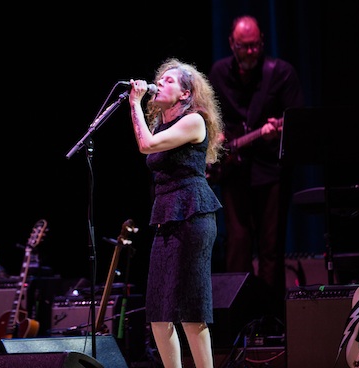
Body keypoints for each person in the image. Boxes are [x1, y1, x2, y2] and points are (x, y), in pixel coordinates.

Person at [127, 58, 224, 367]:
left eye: (169, 81)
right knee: (158, 309)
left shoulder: (194, 120)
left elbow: (146, 145)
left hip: (193, 213)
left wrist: (134, 104)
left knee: (190, 308)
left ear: (185, 93)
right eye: (161, 78)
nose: (160, 83)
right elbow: (150, 142)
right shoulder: (161, 123)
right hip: (166, 213)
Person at [207, 15, 305, 318]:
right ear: (232, 44)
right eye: (243, 47)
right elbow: (212, 114)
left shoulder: (281, 73)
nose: (250, 52)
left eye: (254, 46)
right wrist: (218, 133)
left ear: (262, 42)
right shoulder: (220, 72)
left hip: (271, 171)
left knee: (270, 249)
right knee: (237, 245)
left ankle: (270, 316)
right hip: (233, 172)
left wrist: (280, 127)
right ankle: (237, 318)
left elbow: (297, 121)